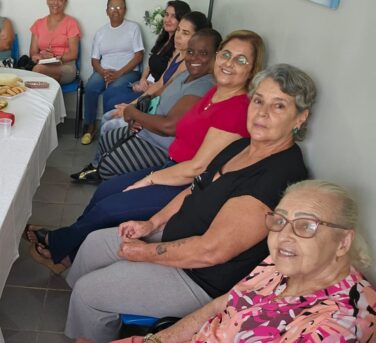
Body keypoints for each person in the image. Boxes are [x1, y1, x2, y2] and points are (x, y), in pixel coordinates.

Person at [64, 63, 315, 343]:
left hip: (199, 277)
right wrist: (151, 223)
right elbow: (194, 189)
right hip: (177, 235)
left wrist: (145, 253)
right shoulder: (241, 146)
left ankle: (89, 314)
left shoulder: (279, 174)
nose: (263, 113)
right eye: (258, 100)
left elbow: (211, 252)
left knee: (90, 292)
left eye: (279, 106)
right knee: (93, 245)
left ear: (300, 118)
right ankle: (85, 319)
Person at [26, 30, 265, 271]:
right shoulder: (215, 92)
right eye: (227, 55)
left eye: (241, 60)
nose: (229, 63)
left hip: (187, 186)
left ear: (253, 69)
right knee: (105, 191)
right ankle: (68, 253)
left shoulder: (236, 109)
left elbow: (198, 168)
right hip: (171, 166)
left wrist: (149, 180)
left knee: (109, 207)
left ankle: (59, 244)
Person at [114, 180, 376, 342]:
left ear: (343, 242)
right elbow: (223, 304)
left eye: (306, 226)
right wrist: (158, 341)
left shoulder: (341, 324)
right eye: (280, 220)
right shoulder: (284, 263)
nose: (283, 236)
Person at [75, 28, 219, 184]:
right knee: (108, 139)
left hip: (162, 145)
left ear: (216, 56)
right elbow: (157, 93)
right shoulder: (185, 74)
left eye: (203, 53)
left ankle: (114, 186)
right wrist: (139, 110)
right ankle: (100, 170)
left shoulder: (204, 85)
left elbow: (169, 127)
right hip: (148, 128)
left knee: (108, 167)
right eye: (191, 52)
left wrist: (134, 114)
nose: (194, 58)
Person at [102, 0, 191, 113]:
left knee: (113, 102)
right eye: (166, 15)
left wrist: (147, 87)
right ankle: (107, 127)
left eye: (173, 16)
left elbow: (167, 80)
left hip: (153, 92)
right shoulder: (163, 40)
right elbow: (149, 65)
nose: (168, 19)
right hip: (144, 84)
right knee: (108, 94)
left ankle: (116, 127)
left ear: (182, 20)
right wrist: (143, 79)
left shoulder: (179, 46)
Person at [79, 0, 144, 145]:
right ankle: (90, 127)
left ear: (125, 10)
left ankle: (108, 132)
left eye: (120, 7)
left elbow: (139, 55)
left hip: (128, 72)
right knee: (91, 88)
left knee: (113, 91)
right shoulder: (101, 32)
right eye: (112, 7)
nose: (116, 10)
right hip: (104, 71)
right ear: (106, 11)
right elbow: (94, 60)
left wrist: (119, 73)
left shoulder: (133, 28)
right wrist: (103, 72)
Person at [29, 0, 81, 84]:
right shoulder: (38, 24)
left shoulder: (71, 23)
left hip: (65, 66)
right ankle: (53, 97)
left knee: (38, 71)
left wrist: (54, 58)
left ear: (65, 2)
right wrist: (39, 56)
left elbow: (73, 54)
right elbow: (33, 53)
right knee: (39, 74)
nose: (55, 3)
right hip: (43, 64)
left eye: (60, 0)